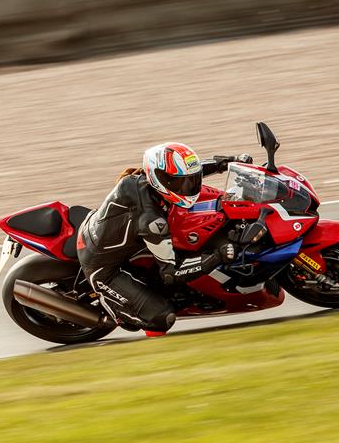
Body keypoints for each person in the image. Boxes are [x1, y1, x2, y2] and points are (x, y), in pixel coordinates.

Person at [76, 142, 251, 333]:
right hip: (103, 268)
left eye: (190, 181)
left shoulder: (142, 180)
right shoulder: (152, 222)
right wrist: (217, 257)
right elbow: (171, 273)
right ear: (160, 179)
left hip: (104, 231)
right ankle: (115, 310)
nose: (188, 187)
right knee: (162, 318)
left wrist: (226, 163)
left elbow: (189, 172)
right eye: (181, 182)